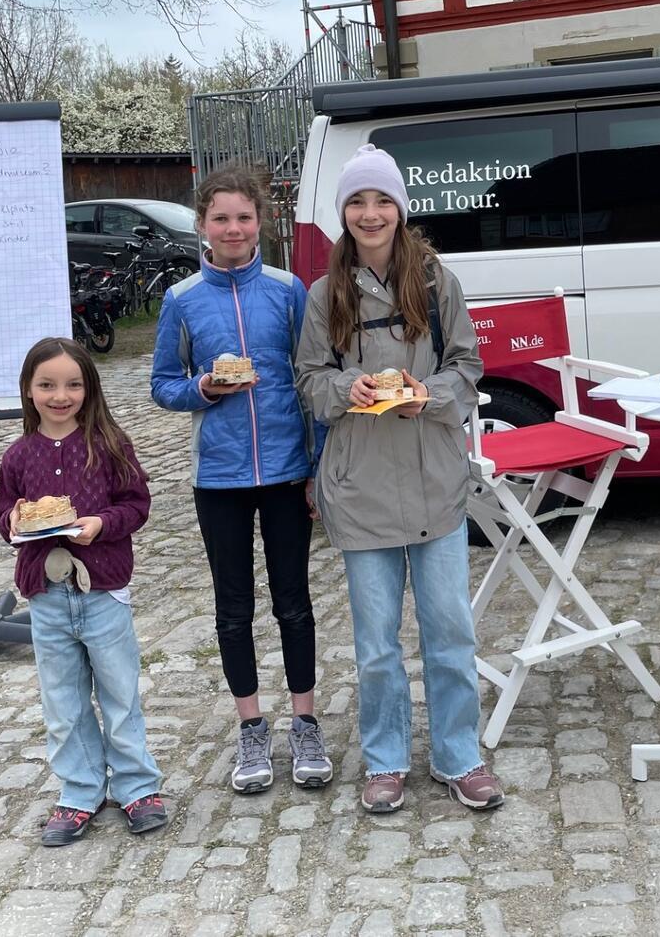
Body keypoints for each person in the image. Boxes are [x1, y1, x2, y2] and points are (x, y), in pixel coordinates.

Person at [295, 143, 504, 815]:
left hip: (435, 482)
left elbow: (468, 371)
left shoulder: (438, 282)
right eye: (357, 201)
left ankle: (458, 755)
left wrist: (429, 394)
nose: (370, 212)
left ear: (400, 209)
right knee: (376, 645)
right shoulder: (325, 295)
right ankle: (385, 759)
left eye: (381, 199)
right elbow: (307, 380)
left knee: (450, 633)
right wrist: (343, 388)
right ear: (344, 214)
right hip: (360, 488)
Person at [150, 163, 331, 794]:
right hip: (219, 478)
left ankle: (305, 722)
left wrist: (318, 466)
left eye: (244, 217)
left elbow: (313, 381)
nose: (233, 228)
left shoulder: (288, 291)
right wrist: (201, 388)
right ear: (202, 224)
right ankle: (251, 728)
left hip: (286, 472)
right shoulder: (181, 300)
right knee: (233, 609)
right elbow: (161, 386)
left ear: (262, 223)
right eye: (220, 218)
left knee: (294, 603)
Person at [0, 337, 167, 846]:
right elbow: (6, 517)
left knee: (118, 693)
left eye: (72, 384)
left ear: (88, 389)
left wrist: (100, 523)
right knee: (63, 700)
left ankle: (137, 787)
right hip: (46, 597)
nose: (59, 395)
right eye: (47, 385)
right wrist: (19, 521)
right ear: (29, 391)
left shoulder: (110, 444)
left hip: (103, 591)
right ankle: (79, 791)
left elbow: (136, 505)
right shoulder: (18, 455)